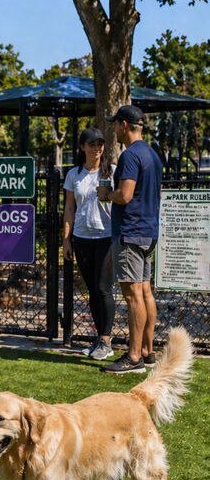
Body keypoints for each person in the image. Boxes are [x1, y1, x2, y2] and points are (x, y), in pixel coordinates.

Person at [97, 104, 163, 374]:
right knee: (145, 292)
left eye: (115, 124)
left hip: (130, 232)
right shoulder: (153, 155)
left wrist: (106, 194)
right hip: (148, 232)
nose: (114, 128)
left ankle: (133, 357)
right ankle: (147, 352)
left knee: (133, 295)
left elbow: (124, 195)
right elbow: (156, 192)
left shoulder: (130, 156)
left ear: (124, 125)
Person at [63, 127, 115, 361]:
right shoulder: (74, 174)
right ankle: (100, 340)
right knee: (93, 290)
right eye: (92, 144)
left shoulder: (113, 171)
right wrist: (67, 239)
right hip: (82, 238)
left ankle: (105, 339)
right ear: (82, 147)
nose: (97, 148)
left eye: (100, 144)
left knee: (103, 288)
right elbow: (69, 209)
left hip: (106, 237)